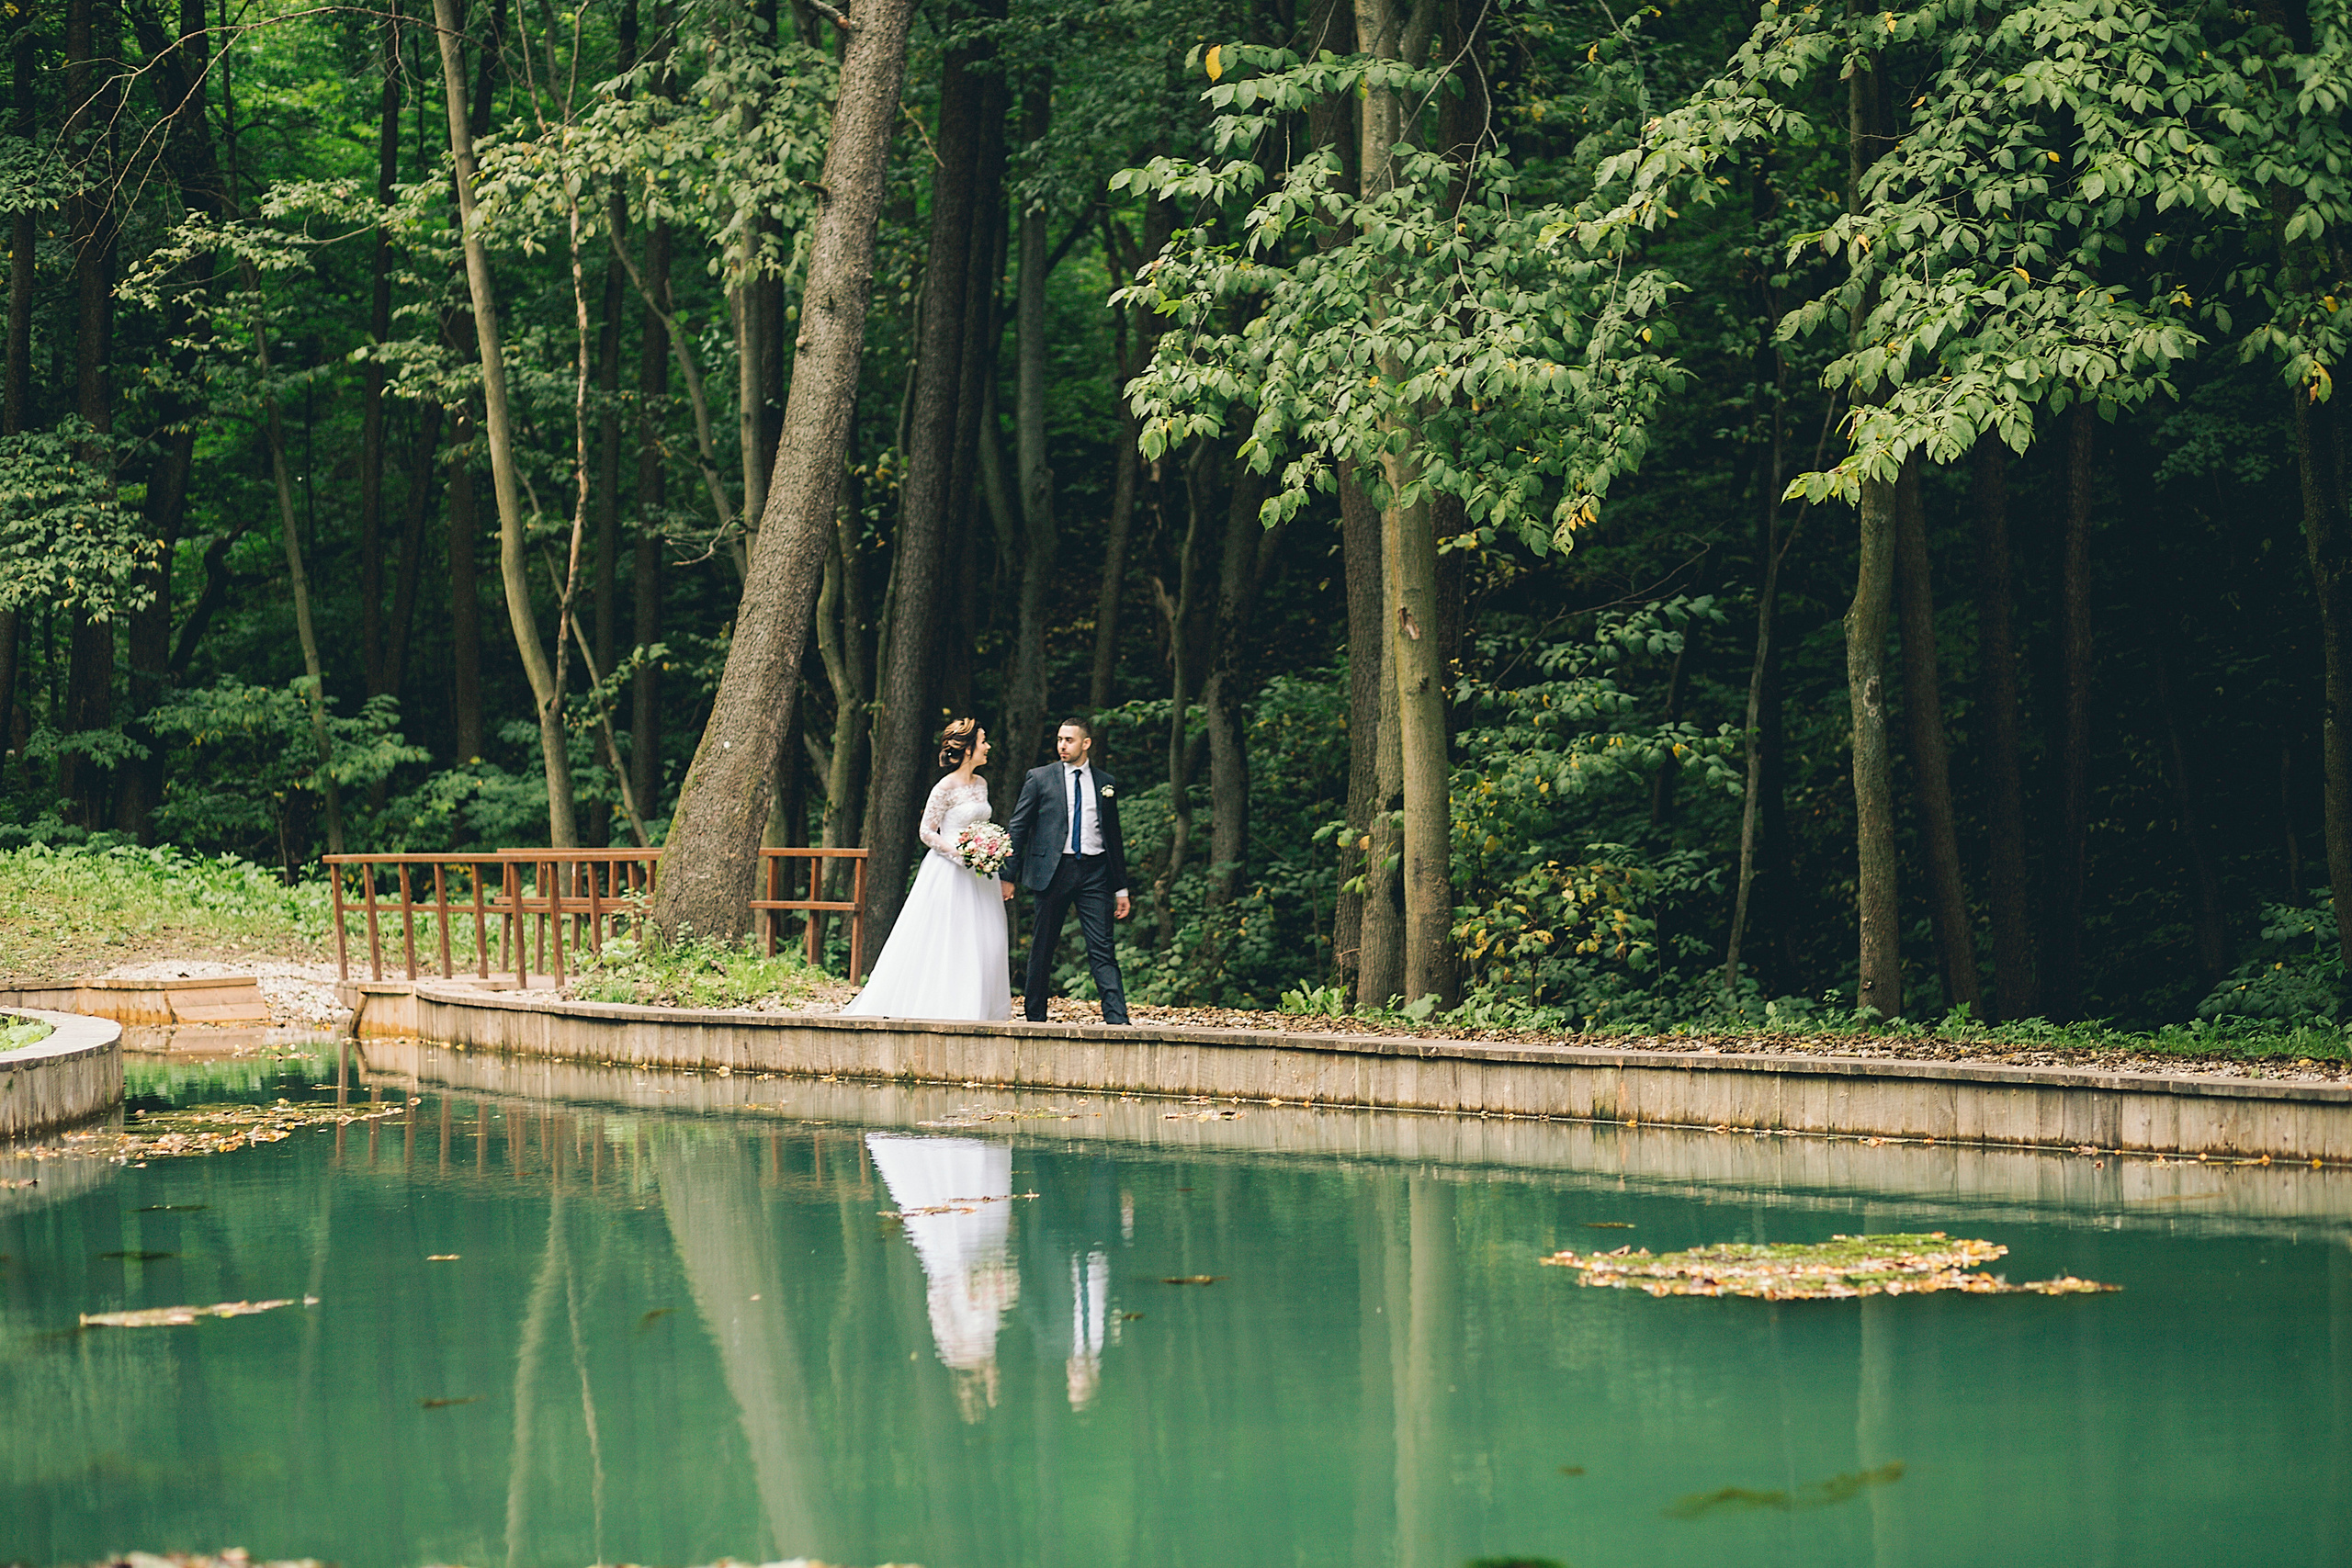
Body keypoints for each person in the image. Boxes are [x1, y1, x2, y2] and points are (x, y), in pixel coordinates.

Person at [841, 719, 1012, 1021]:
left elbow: (980, 825)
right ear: (968, 749)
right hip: (950, 872)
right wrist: (959, 855)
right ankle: (946, 1008)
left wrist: (988, 850)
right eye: (983, 741)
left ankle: (977, 1008)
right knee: (951, 938)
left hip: (980, 873)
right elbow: (926, 831)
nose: (988, 747)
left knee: (987, 939)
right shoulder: (944, 787)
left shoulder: (981, 784)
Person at [1001, 717, 1131, 1024]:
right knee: (1043, 946)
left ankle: (1118, 1021)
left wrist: (1121, 888)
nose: (1062, 745)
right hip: (1053, 871)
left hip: (1095, 872)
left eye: (1069, 740)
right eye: (1060, 739)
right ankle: (1035, 1018)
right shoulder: (1039, 778)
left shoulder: (1105, 782)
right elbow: (1018, 826)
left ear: (1086, 743)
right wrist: (1008, 875)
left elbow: (1113, 836)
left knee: (1102, 947)